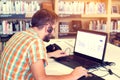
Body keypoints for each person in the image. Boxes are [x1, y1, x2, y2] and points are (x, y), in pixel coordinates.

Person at [0, 9, 88, 80]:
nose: (53, 33)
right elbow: (41, 78)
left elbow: (26, 56)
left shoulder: (20, 34)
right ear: (47, 28)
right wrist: (72, 76)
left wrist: (49, 54)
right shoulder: (36, 42)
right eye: (53, 29)